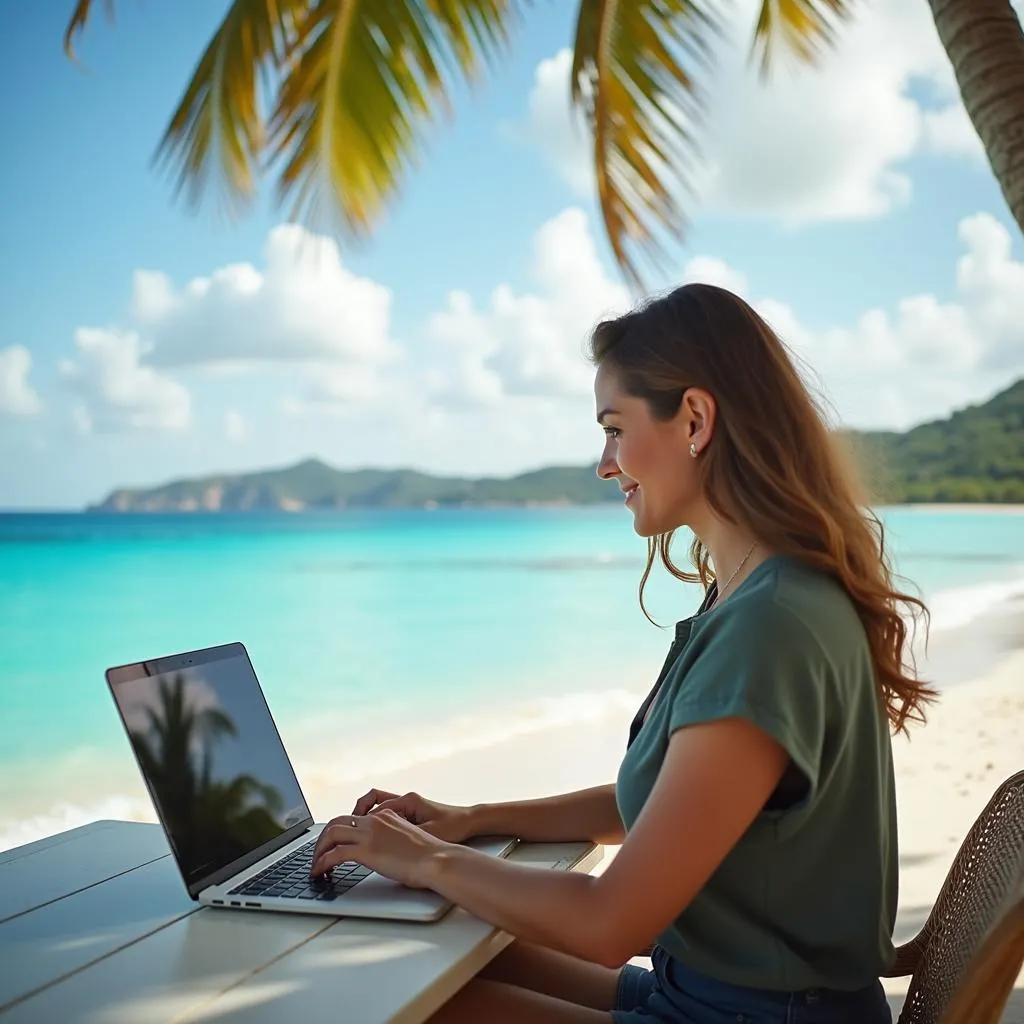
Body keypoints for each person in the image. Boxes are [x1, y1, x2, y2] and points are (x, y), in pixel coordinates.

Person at [310, 283, 936, 1023]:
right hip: (727, 995)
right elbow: (671, 810)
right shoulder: (755, 594)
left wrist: (426, 861)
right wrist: (473, 818)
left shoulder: (770, 625)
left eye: (614, 428)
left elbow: (611, 923)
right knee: (437, 961)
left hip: (762, 1015)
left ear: (695, 419)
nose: (605, 464)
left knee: (410, 1006)